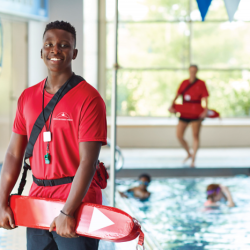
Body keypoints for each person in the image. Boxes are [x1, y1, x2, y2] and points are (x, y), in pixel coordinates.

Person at [0, 21, 107, 250]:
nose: (55, 49)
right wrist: (1, 201)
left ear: (74, 52)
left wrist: (68, 211)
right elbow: (12, 154)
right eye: (49, 44)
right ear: (41, 52)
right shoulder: (27, 97)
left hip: (77, 203)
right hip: (38, 202)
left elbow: (88, 162)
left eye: (64, 45)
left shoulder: (89, 99)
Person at [169, 65, 209, 167]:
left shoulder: (201, 83)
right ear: (188, 71)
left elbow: (205, 98)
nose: (192, 73)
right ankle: (188, 153)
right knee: (179, 135)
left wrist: (205, 110)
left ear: (197, 72)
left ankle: (193, 159)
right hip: (185, 111)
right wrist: (172, 106)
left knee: (195, 135)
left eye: (194, 71)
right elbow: (177, 95)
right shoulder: (184, 83)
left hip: (196, 112)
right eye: (191, 71)